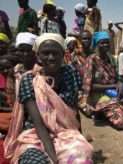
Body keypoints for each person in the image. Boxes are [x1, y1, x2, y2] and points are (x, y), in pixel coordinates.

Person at [4, 33, 94, 163]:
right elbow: (39, 125)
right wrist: (54, 160)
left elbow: (74, 110)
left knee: (81, 159)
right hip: (35, 135)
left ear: (63, 54)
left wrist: (80, 137)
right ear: (38, 55)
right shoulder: (29, 80)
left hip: (66, 132)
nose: (51, 58)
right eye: (45, 53)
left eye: (55, 53)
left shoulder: (71, 73)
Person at [83, 31, 123, 129]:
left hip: (114, 92)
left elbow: (118, 78)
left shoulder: (112, 59)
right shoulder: (92, 60)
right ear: (97, 44)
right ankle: (100, 112)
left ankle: (105, 112)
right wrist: (113, 86)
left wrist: (120, 83)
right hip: (99, 95)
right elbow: (89, 86)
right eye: (102, 42)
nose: (106, 45)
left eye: (107, 42)